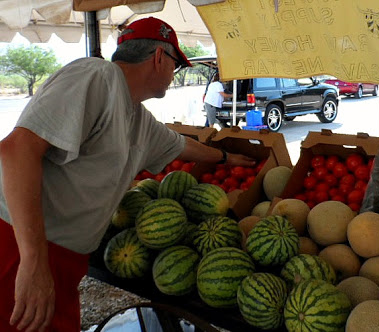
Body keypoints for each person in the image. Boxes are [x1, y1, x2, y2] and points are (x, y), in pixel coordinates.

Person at [0, 17, 255, 332]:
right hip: (19, 246)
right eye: (176, 65)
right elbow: (16, 149)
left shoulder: (138, 118)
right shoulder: (95, 76)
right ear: (159, 58)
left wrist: (228, 157)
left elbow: (182, 147)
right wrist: (34, 261)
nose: (175, 75)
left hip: (62, 259)